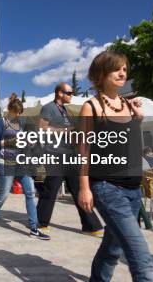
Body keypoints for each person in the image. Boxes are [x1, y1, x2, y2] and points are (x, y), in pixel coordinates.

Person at [77, 50, 153, 281]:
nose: (122, 72)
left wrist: (139, 119)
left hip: (133, 189)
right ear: (101, 73)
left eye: (124, 68)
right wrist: (84, 187)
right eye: (116, 68)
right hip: (107, 188)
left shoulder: (130, 106)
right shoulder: (90, 107)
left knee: (112, 249)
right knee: (141, 256)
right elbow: (83, 151)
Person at [36, 82, 104, 236]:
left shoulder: (65, 110)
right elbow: (42, 128)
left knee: (79, 189)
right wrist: (64, 130)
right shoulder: (48, 108)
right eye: (69, 93)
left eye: (71, 93)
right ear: (60, 93)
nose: (71, 95)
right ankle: (40, 222)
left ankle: (90, 225)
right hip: (54, 154)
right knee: (50, 189)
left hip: (68, 155)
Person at [0, 93, 50, 240]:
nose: (17, 116)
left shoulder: (21, 122)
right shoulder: (0, 123)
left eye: (19, 113)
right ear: (9, 110)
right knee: (4, 193)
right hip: (5, 162)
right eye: (15, 113)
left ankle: (34, 228)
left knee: (30, 192)